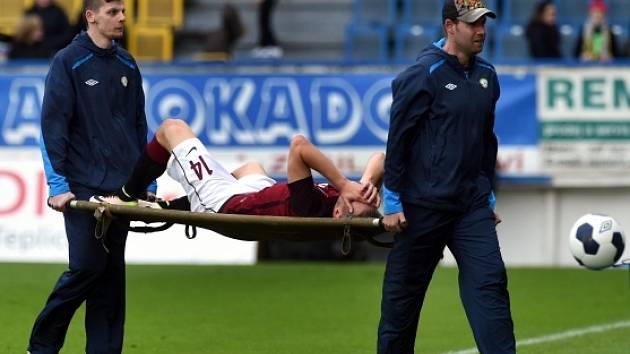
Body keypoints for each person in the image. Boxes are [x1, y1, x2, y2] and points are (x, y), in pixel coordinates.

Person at [378, 1, 515, 353]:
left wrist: (488, 195)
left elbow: (486, 141)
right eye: (473, 24)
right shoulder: (422, 75)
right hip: (422, 208)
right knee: (401, 304)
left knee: (491, 284)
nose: (481, 30)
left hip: (470, 207)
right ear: (450, 26)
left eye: (484, 22)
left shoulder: (488, 76)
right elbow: (399, 141)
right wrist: (391, 202)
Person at [30, 0, 153, 353]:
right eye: (113, 11)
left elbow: (139, 128)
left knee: (111, 278)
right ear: (91, 16)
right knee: (86, 268)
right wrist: (58, 186)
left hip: (123, 190)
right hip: (83, 189)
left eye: (124, 11)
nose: (122, 18)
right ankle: (41, 346)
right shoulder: (67, 61)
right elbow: (52, 127)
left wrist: (146, 183)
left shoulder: (128, 63)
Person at [93, 118, 382, 220]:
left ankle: (128, 193)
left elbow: (299, 146)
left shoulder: (312, 205)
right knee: (251, 166)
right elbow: (380, 157)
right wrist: (368, 182)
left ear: (337, 211)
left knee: (172, 128)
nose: (356, 195)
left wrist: (345, 183)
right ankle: (183, 202)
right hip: (261, 192)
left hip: (228, 203)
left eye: (354, 201)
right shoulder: (344, 207)